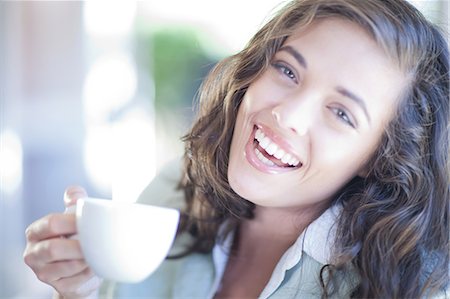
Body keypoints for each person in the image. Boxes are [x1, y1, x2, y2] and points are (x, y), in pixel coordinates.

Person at [24, 0, 449, 298]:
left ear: (379, 159)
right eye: (287, 69)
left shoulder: (406, 288)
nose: (288, 114)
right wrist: (77, 291)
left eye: (341, 113)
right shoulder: (174, 189)